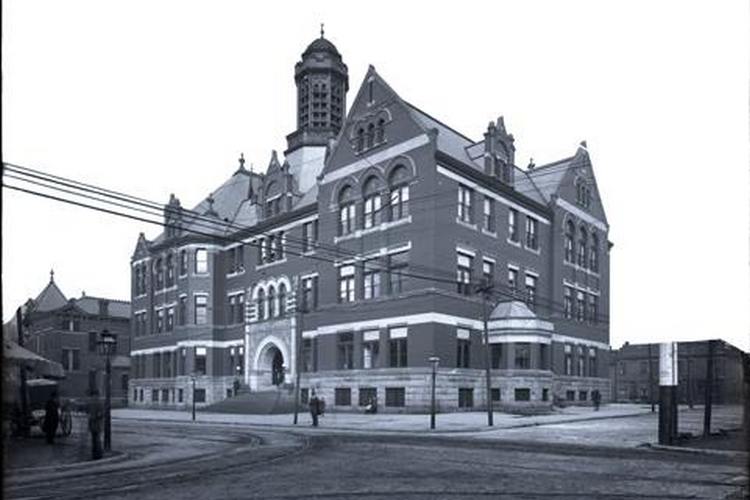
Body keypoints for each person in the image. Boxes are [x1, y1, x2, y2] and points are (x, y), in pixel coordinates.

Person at [88, 389, 104, 460]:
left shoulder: (94, 403)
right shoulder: (97, 402)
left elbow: (100, 413)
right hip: (95, 423)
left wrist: (94, 417)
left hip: (95, 423)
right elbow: (100, 413)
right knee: (96, 439)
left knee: (95, 439)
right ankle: (97, 453)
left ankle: (96, 453)